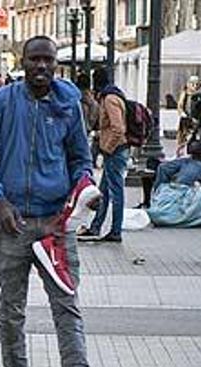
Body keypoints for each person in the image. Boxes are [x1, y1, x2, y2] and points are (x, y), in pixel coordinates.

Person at [0, 35, 111, 367]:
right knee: (12, 306)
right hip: (12, 220)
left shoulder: (68, 104)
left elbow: (81, 159)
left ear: (55, 63)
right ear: (22, 62)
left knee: (66, 304)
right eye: (34, 60)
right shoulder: (1, 104)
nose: (42, 68)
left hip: (56, 223)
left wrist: (84, 191)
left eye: (48, 61)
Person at [78, 67, 127, 243]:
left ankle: (115, 231)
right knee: (104, 191)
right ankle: (96, 226)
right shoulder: (113, 95)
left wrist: (107, 147)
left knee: (116, 191)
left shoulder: (110, 99)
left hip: (115, 151)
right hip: (114, 151)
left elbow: (118, 128)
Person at [150, 97, 201, 199]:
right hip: (192, 159)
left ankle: (173, 205)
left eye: (193, 110)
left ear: (200, 111)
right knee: (163, 169)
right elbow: (192, 143)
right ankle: (158, 198)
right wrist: (189, 146)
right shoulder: (200, 125)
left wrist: (190, 147)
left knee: (181, 180)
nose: (191, 113)